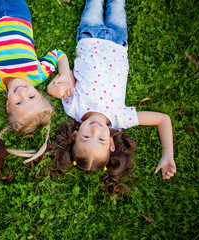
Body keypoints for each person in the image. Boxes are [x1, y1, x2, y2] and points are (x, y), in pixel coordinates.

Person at [46, 0, 176, 193]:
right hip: (118, 40)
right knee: (117, 5)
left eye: (87, 136)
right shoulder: (120, 118)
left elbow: (66, 75)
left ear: (75, 135)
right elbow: (162, 119)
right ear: (112, 143)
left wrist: (54, 89)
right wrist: (167, 154)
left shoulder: (72, 107)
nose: (96, 131)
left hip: (89, 36)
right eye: (101, 140)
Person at [0, 0, 71, 133]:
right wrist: (65, 74)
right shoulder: (38, 74)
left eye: (18, 103)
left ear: (8, 106)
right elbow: (58, 54)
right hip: (20, 15)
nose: (22, 93)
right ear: (39, 94)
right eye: (32, 97)